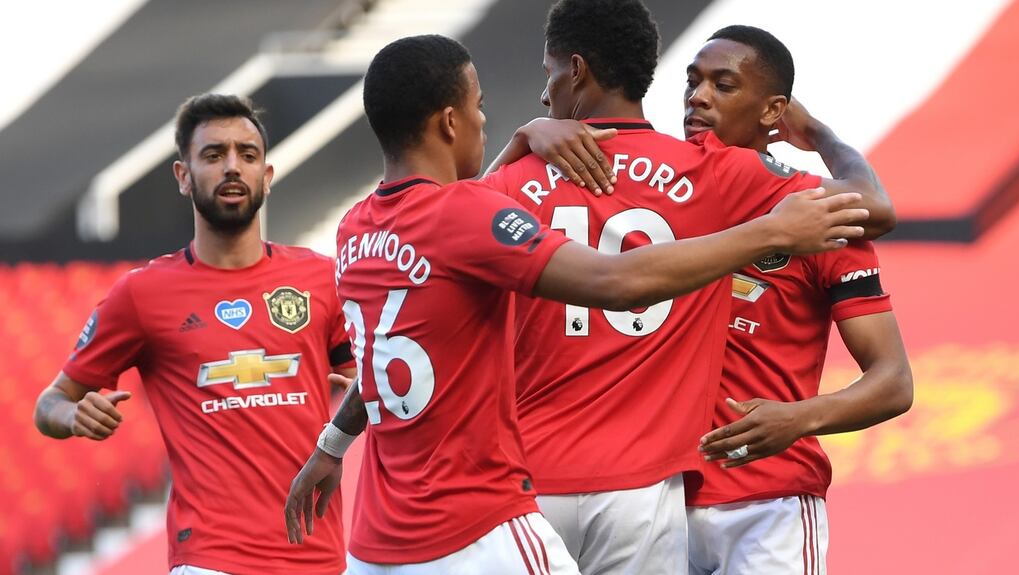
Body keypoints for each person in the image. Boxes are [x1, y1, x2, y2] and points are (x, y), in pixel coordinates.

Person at [283, 34, 867, 575]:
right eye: (481, 107)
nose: (493, 119)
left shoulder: (356, 230)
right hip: (516, 513)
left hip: (396, 529)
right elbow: (617, 282)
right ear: (450, 121)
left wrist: (332, 444)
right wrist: (773, 228)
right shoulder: (716, 174)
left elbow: (398, 329)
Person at [500, 21, 912, 575]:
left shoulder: (816, 222)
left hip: (767, 499)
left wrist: (799, 419)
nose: (697, 96)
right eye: (692, 80)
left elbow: (893, 381)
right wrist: (537, 132)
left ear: (774, 112)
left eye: (723, 84)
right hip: (659, 493)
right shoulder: (661, 183)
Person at [34, 94, 355, 575]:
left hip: (318, 557)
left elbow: (367, 385)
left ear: (266, 177)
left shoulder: (320, 279)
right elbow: (48, 405)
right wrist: (73, 413)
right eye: (213, 154)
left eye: (247, 155)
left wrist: (355, 393)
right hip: (210, 559)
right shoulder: (142, 295)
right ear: (183, 177)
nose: (232, 167)